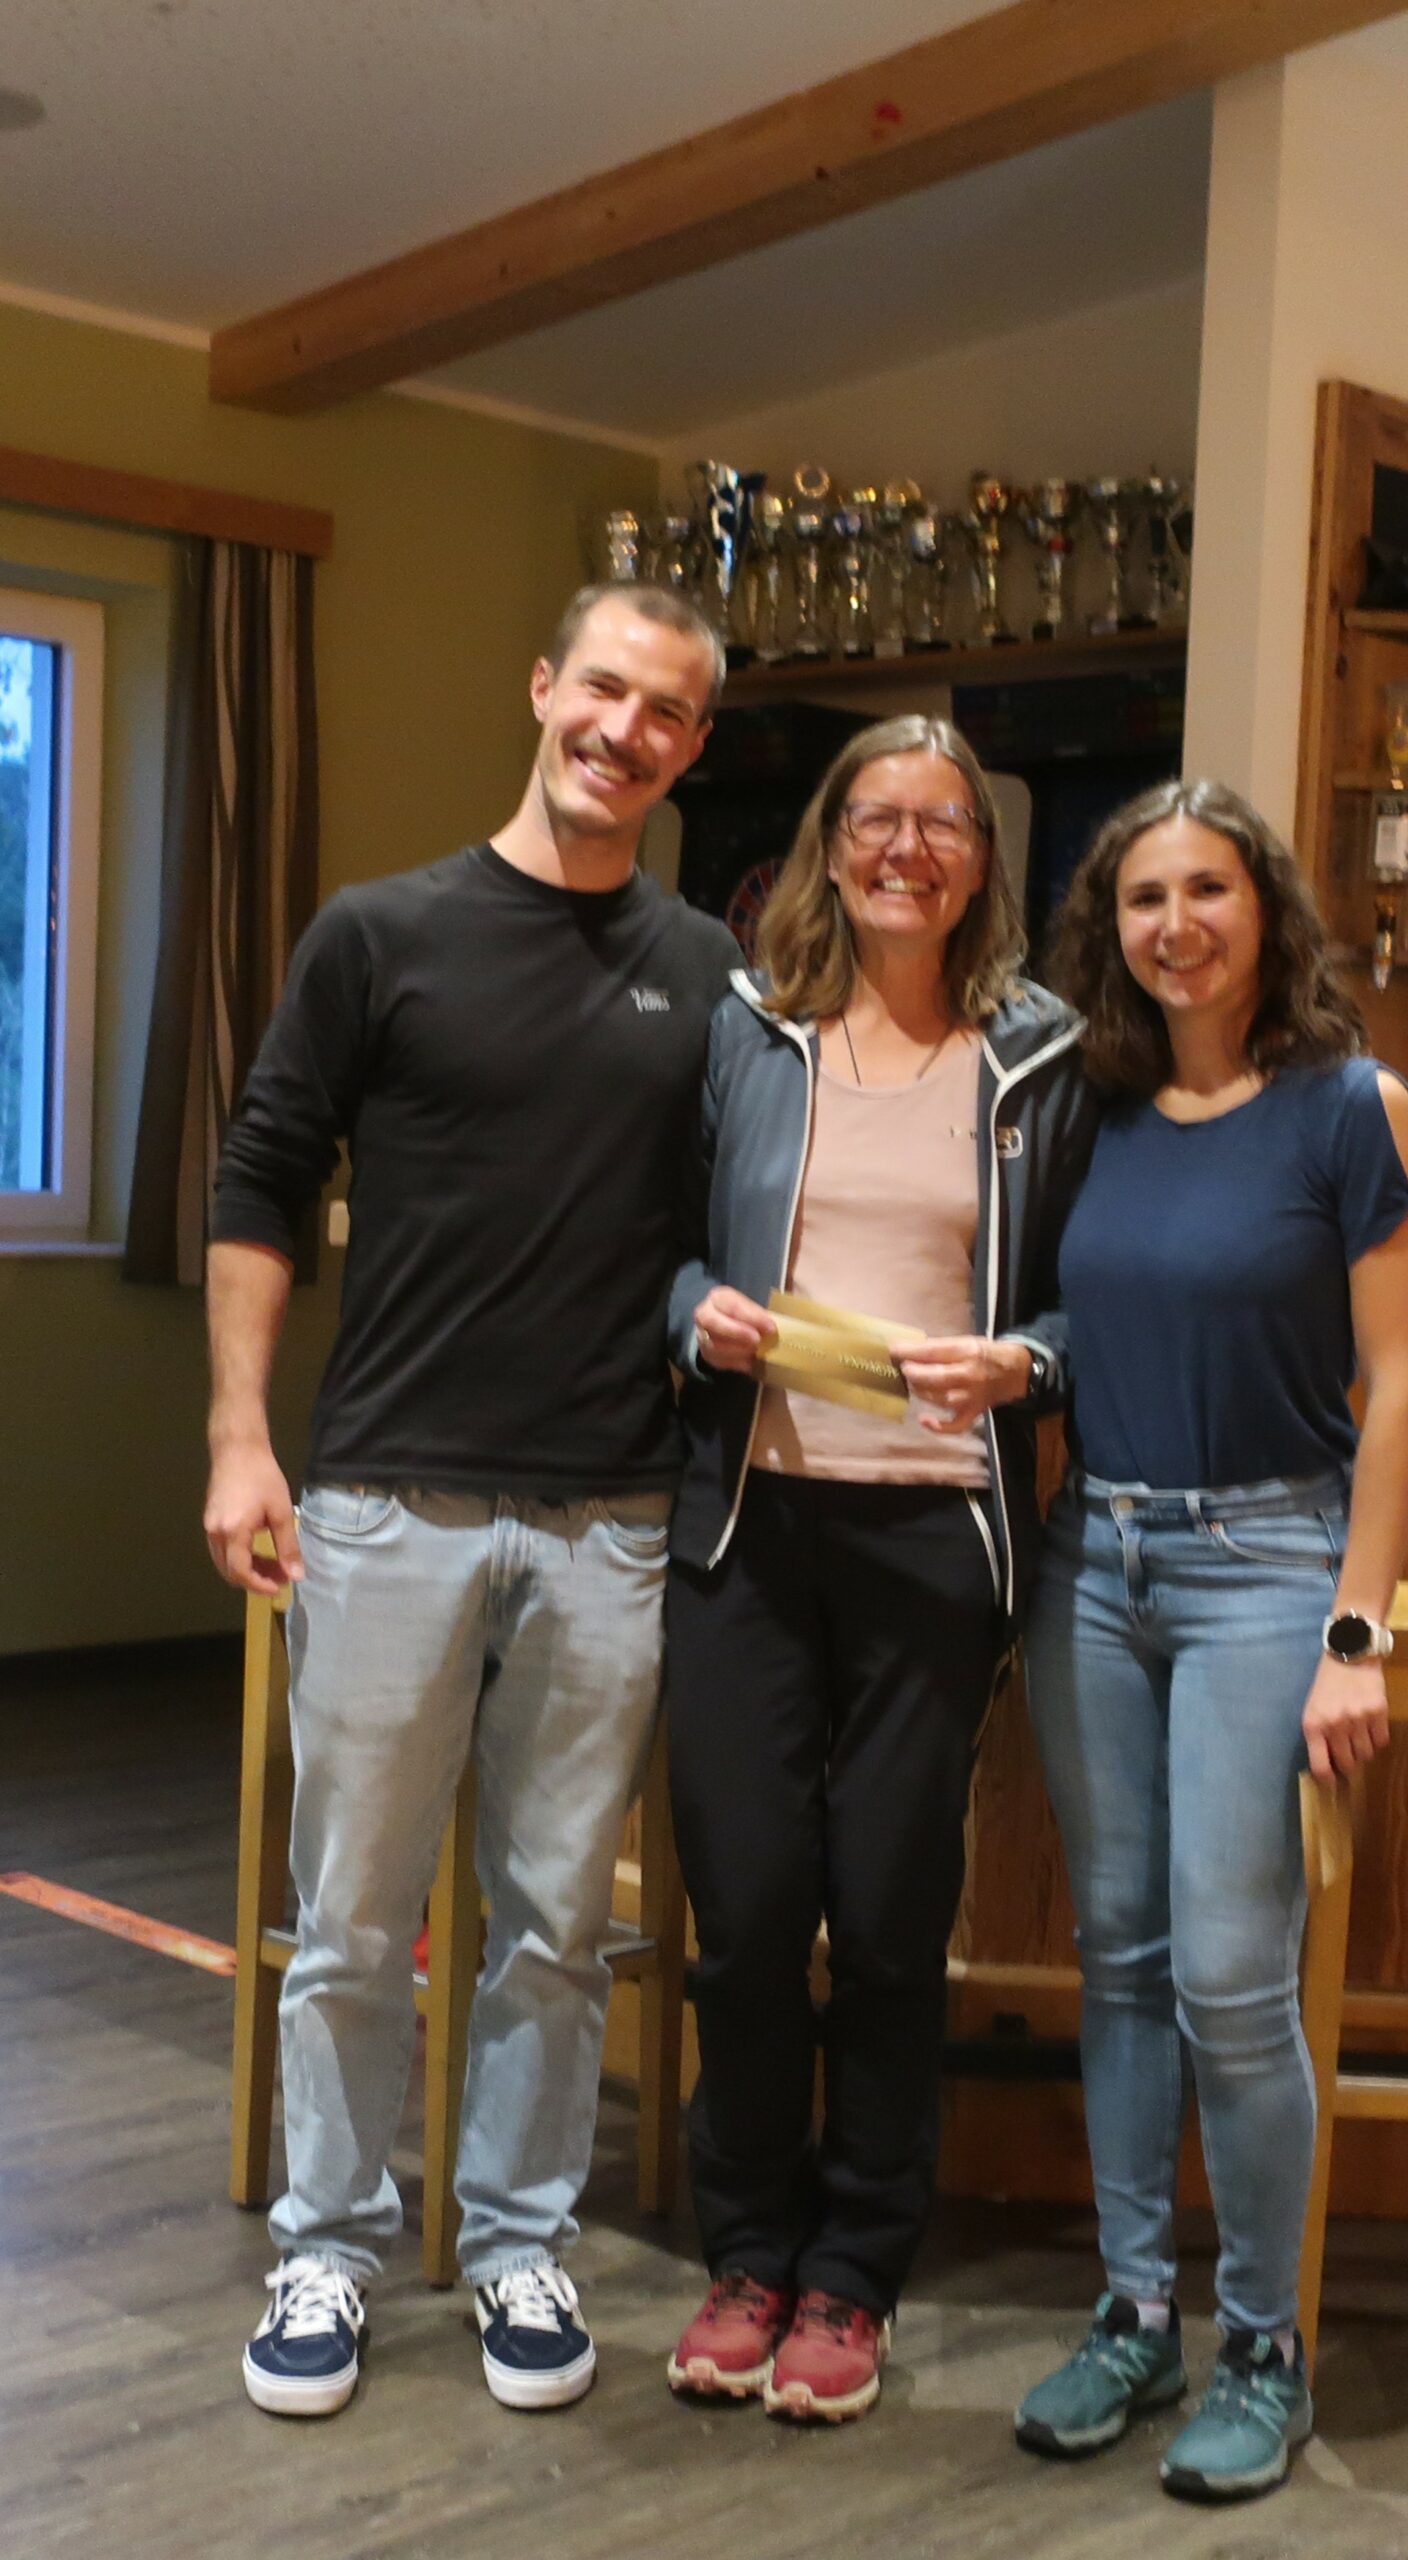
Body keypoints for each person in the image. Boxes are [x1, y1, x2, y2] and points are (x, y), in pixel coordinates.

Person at [204, 583, 739, 2418]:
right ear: (541, 688)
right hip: (387, 1505)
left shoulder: (709, 978)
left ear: (692, 747)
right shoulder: (381, 932)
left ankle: (519, 2243)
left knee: (554, 1926)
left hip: (612, 1520)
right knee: (353, 1917)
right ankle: (329, 2248)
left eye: (664, 712)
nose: (623, 732)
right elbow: (261, 1177)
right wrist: (238, 1436)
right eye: (603, 688)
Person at [1013, 778, 1408, 2499]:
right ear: (1106, 926)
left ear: (1265, 908)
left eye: (1206, 889)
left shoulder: (1354, 1108)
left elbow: (1404, 1387)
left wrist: (1357, 1628)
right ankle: (1135, 2314)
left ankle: (1264, 2347)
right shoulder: (1092, 1106)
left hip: (1267, 1565)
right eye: (1142, 897)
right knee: (1114, 1958)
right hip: (1090, 1560)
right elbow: (1058, 1314)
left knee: (1225, 1978)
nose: (1174, 924)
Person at [661, 714, 1095, 2423]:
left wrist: (1025, 1363)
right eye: (874, 817)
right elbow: (658, 1244)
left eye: (941, 822)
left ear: (982, 860)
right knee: (750, 1910)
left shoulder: (1043, 1059)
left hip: (934, 1537)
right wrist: (690, 1315)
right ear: (828, 845)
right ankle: (746, 2254)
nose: (905, 847)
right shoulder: (745, 1031)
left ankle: (851, 2275)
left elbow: (1094, 1300)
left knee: (893, 1920)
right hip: (746, 1530)